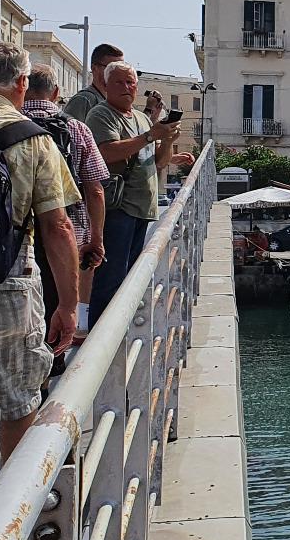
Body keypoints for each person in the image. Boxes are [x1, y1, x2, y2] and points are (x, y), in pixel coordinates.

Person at [0, 42, 82, 459]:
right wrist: (68, 305)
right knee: (19, 402)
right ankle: (23, 513)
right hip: (5, 281)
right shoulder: (33, 139)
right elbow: (58, 225)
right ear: (20, 83)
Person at [87, 61, 194, 322]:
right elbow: (105, 151)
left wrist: (167, 140)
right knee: (111, 278)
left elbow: (158, 161)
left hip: (142, 208)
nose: (127, 87)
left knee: (129, 278)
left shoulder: (142, 118)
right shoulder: (101, 115)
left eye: (131, 83)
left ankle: (120, 331)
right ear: (106, 85)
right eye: (120, 82)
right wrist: (149, 136)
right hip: (118, 206)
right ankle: (100, 337)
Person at [22, 64, 110, 356]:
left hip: (17, 233)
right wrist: (96, 238)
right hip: (67, 229)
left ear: (21, 87)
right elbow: (95, 190)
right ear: (57, 93)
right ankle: (54, 355)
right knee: (59, 298)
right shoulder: (76, 128)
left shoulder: (8, 124)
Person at [60, 42, 124, 124]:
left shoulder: (116, 102)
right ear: (94, 68)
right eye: (111, 67)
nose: (119, 72)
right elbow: (70, 134)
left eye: (122, 67)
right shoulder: (83, 100)